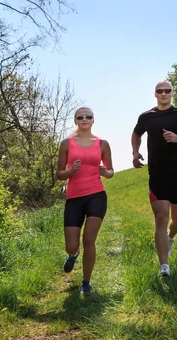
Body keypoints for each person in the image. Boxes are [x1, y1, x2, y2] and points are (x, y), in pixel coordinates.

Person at [131, 80, 177, 277]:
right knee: (161, 217)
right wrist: (135, 153)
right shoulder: (146, 116)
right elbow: (136, 134)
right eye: (159, 91)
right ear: (155, 94)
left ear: (172, 93)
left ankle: (170, 238)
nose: (163, 93)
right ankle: (164, 266)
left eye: (167, 91)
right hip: (157, 173)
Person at [56, 107, 114, 293]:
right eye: (80, 117)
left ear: (93, 120)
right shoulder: (66, 144)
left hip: (96, 195)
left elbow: (111, 171)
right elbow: (59, 174)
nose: (84, 119)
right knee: (71, 245)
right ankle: (74, 254)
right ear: (75, 121)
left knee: (89, 239)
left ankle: (86, 282)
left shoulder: (102, 144)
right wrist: (70, 171)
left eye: (88, 116)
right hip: (74, 198)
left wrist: (106, 172)